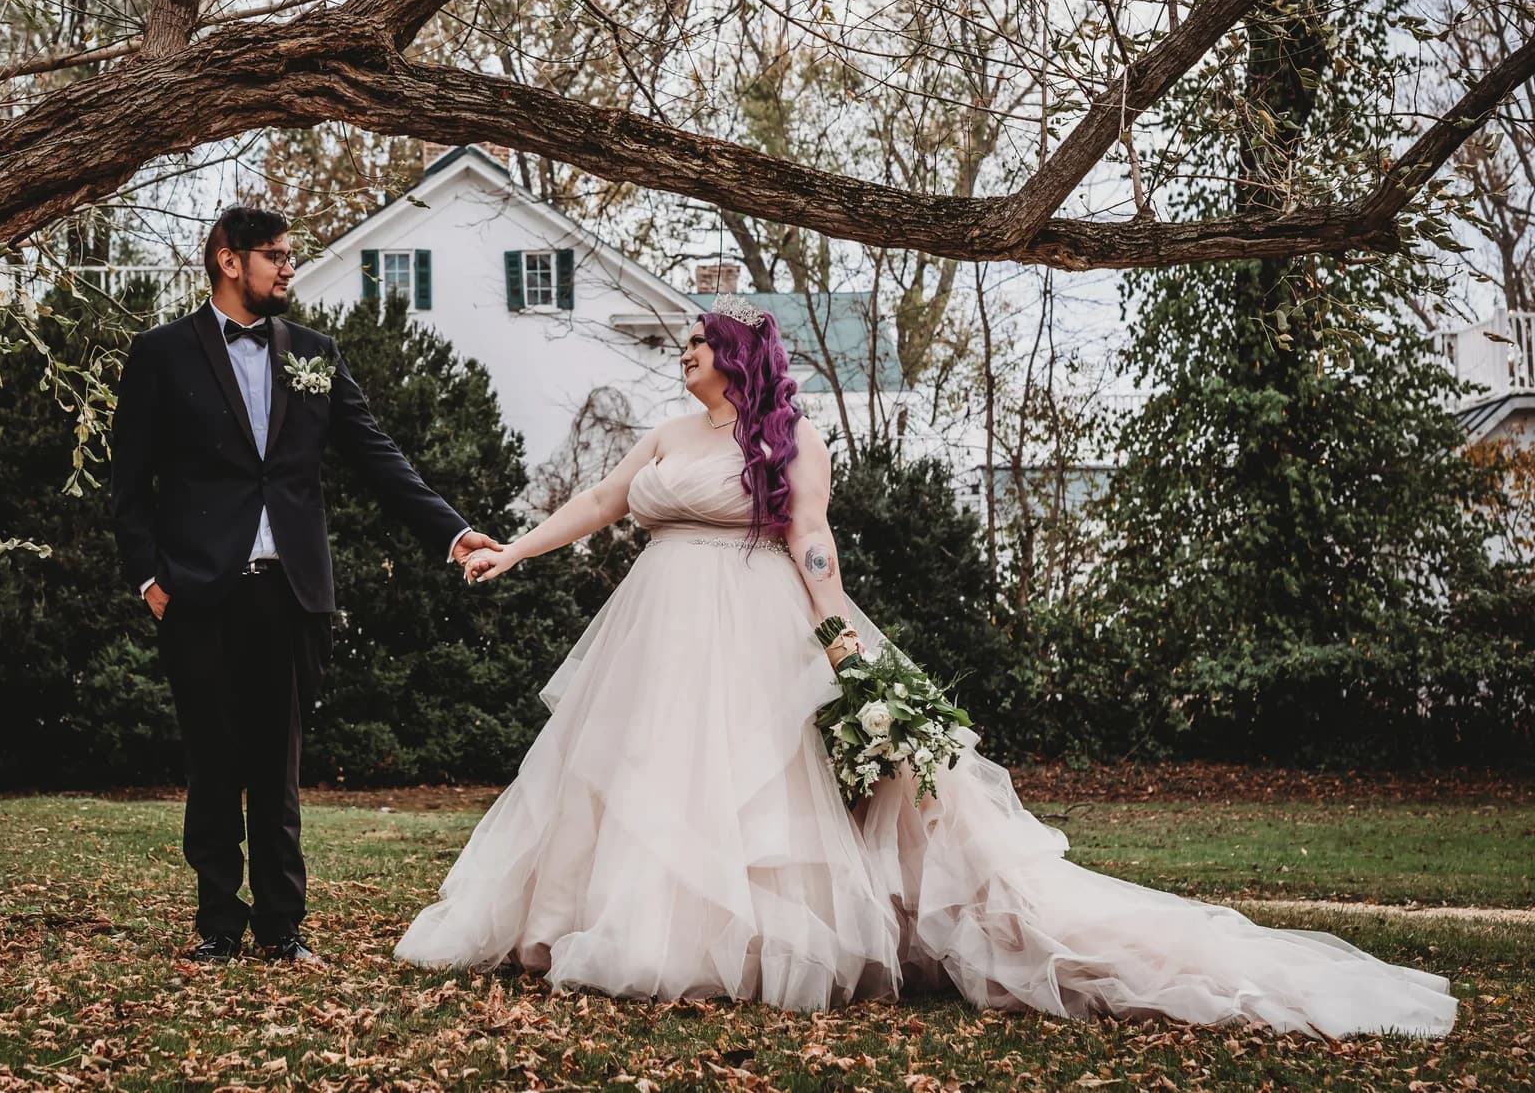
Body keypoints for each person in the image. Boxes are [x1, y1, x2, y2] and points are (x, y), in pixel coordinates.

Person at [396, 293, 1457, 1037]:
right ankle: (611, 925)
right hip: (653, 630)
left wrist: (838, 636)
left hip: (755, 621)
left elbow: (811, 539)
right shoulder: (668, 435)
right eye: (681, 346)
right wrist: (511, 548)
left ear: (734, 358)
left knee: (758, 784)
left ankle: (740, 947)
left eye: (694, 345)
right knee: (643, 779)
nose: (680, 356)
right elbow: (596, 504)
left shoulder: (783, 441)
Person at [110, 206, 501, 967]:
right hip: (197, 592)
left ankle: (282, 927)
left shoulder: (315, 353)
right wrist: (150, 581)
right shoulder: (160, 353)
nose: (290, 267)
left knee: (277, 768)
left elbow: (379, 456)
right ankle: (217, 926)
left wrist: (452, 532)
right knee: (214, 765)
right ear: (229, 261)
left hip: (291, 594)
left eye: (291, 255)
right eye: (275, 255)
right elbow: (129, 483)